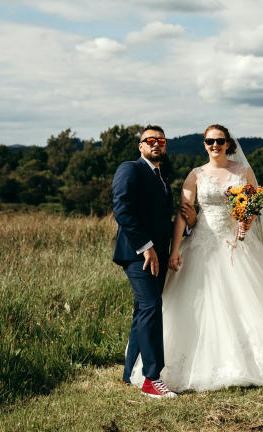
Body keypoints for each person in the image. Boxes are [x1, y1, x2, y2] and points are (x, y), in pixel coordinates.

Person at [131, 124, 263, 391]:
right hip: (202, 243)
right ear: (204, 144)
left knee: (248, 301)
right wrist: (175, 249)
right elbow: (183, 213)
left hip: (239, 244)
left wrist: (248, 221)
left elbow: (254, 203)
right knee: (196, 305)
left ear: (228, 144)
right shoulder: (196, 175)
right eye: (210, 141)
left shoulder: (243, 171)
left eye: (220, 141)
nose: (215, 145)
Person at [111, 124, 177, 398]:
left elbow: (163, 220)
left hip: (159, 255)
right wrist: (146, 247)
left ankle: (129, 374)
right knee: (151, 306)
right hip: (138, 254)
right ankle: (152, 378)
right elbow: (121, 208)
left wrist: (188, 228)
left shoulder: (162, 178)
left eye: (160, 140)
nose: (155, 144)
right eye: (149, 140)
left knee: (143, 310)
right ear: (140, 146)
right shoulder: (130, 168)